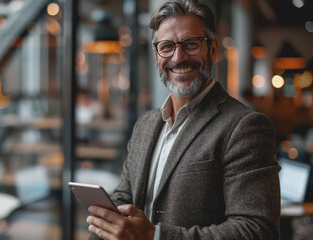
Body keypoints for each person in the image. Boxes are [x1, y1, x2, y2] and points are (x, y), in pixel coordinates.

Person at [86, 0, 281, 239]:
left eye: (190, 44)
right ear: (157, 55)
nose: (178, 58)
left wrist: (155, 236)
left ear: (212, 49)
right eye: (166, 46)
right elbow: (123, 199)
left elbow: (257, 230)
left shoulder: (245, 126)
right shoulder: (145, 125)